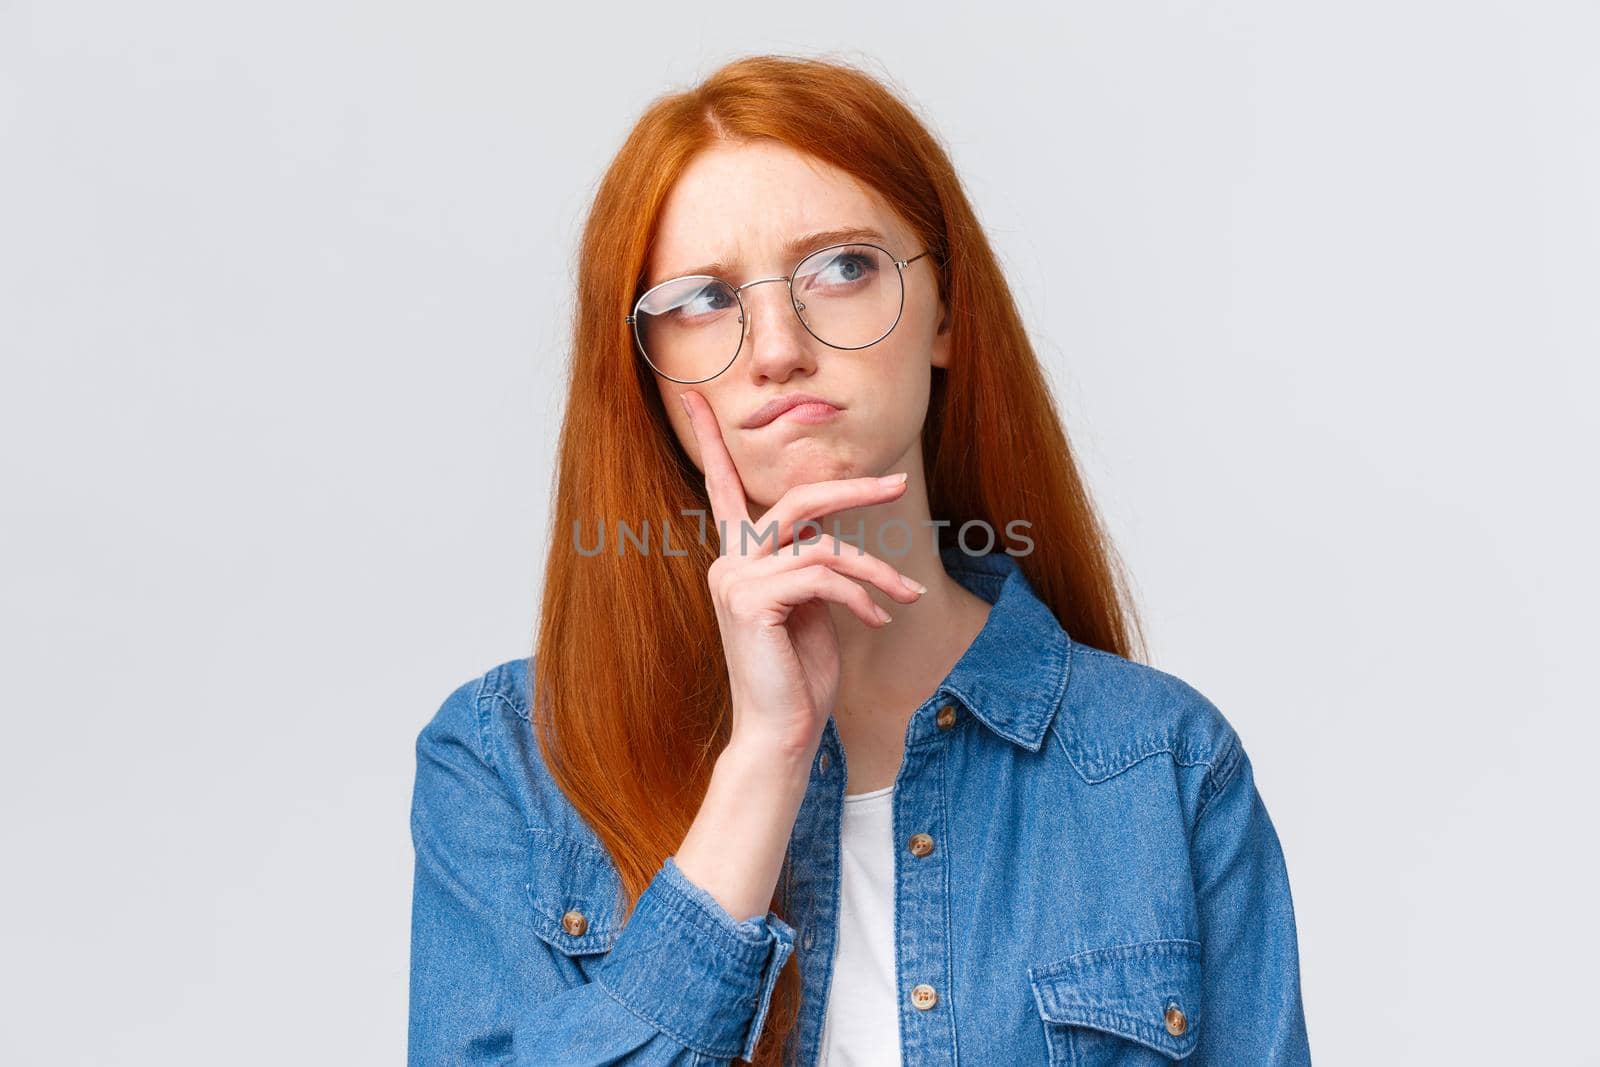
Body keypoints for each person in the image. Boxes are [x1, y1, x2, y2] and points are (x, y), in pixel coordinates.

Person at [408, 53, 1312, 1066]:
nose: (776, 346)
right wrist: (763, 759)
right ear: (645, 373)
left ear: (946, 313)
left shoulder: (1161, 767)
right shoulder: (507, 762)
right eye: (702, 297)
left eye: (840, 268)